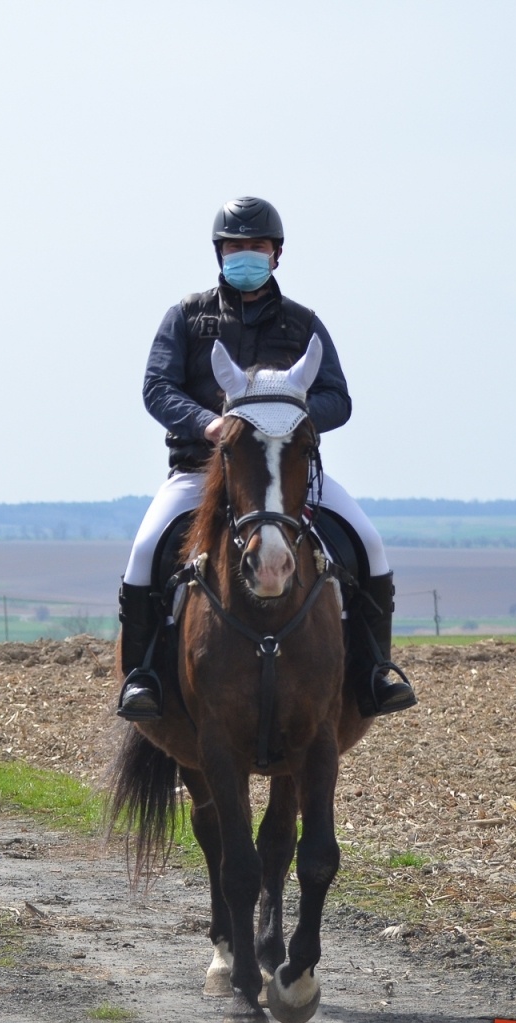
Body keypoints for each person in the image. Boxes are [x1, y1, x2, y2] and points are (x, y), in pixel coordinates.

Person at [117, 197, 416, 720]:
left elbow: (337, 398)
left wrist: (287, 421)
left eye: (256, 246)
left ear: (276, 254)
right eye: (235, 246)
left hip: (286, 473)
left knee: (370, 544)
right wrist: (209, 424)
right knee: (144, 551)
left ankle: (375, 672)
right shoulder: (186, 316)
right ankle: (141, 677)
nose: (246, 255)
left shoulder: (304, 323)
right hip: (201, 469)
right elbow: (157, 387)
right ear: (220, 253)